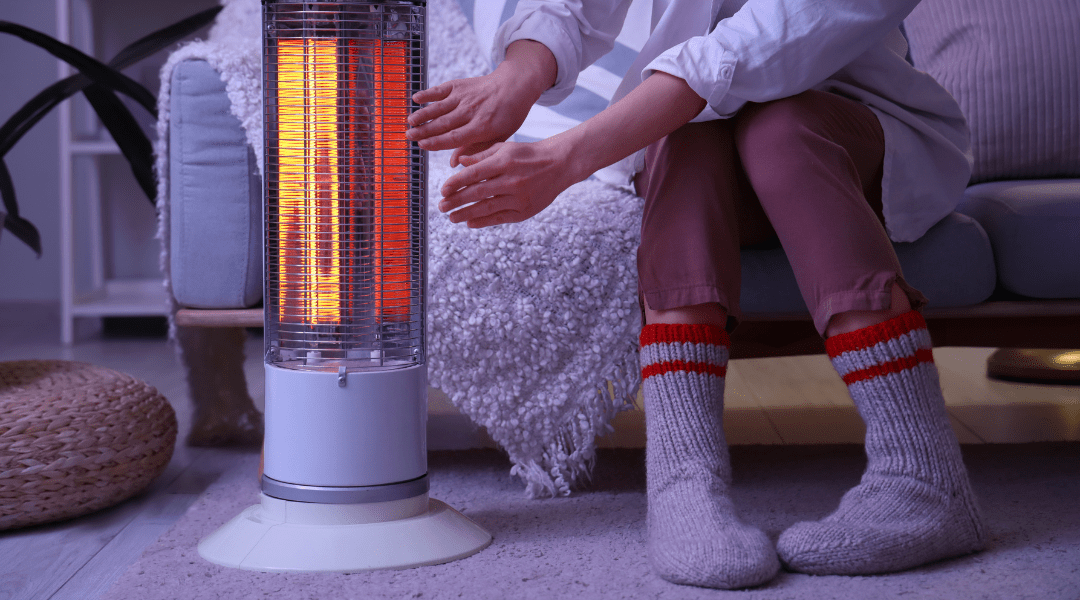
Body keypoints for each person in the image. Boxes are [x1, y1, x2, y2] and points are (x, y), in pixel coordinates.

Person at [407, 0, 987, 590]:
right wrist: (515, 76)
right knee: (687, 137)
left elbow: (754, 46)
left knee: (780, 130)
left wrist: (568, 158)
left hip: (851, 132)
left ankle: (922, 471)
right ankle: (684, 481)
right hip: (687, 135)